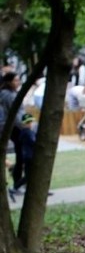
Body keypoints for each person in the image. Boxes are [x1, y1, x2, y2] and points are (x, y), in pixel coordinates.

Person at [1, 71, 35, 199]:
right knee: (22, 156)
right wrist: (25, 125)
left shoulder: (12, 93)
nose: (18, 83)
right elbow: (14, 114)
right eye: (15, 80)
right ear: (9, 82)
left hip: (20, 126)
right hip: (16, 128)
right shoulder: (7, 95)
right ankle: (17, 184)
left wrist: (28, 121)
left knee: (23, 156)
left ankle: (23, 184)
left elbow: (21, 111)